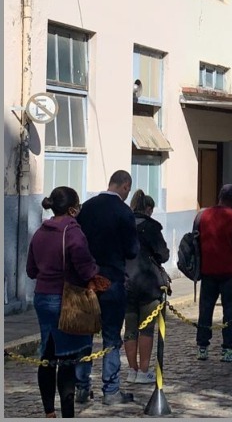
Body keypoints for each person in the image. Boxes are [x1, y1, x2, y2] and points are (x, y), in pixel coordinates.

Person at [27, 187, 108, 418]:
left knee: (47, 355)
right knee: (67, 359)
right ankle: (68, 415)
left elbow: (31, 270)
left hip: (42, 298)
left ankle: (49, 412)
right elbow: (85, 268)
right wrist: (97, 273)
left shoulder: (40, 231)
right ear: (73, 208)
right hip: (66, 299)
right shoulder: (73, 232)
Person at [74, 170, 138, 405]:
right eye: (127, 190)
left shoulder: (87, 207)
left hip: (86, 281)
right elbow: (132, 250)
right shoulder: (124, 211)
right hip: (111, 279)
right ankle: (110, 391)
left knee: (84, 335)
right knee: (111, 338)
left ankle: (81, 387)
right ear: (125, 186)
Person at [196, 184, 232, 362]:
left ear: (219, 196)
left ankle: (202, 347)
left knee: (205, 309)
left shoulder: (203, 216)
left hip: (208, 269)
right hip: (229, 271)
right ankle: (228, 348)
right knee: (229, 310)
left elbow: (194, 239)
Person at [124, 190, 170, 384]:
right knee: (146, 329)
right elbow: (163, 254)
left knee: (130, 329)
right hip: (147, 284)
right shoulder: (151, 227)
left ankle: (132, 370)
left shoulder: (123, 224)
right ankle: (143, 370)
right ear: (149, 208)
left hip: (125, 281)